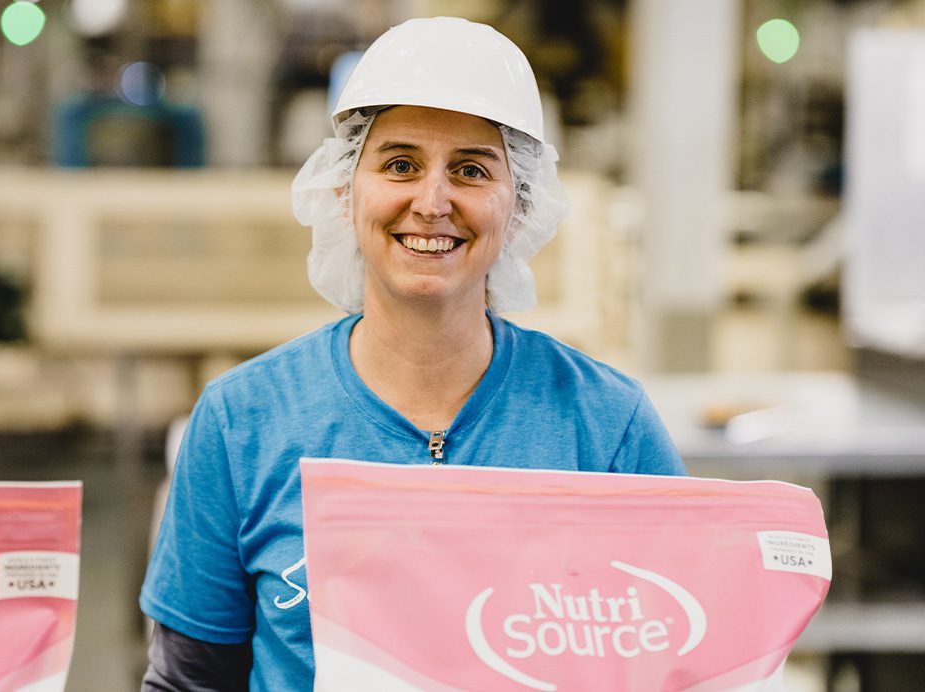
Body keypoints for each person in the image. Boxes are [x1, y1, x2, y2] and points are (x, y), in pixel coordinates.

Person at [140, 16, 685, 691]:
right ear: (346, 188)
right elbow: (190, 683)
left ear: (520, 204)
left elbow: (678, 667)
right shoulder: (240, 422)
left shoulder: (606, 426)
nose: (432, 202)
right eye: (400, 164)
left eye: (470, 169)